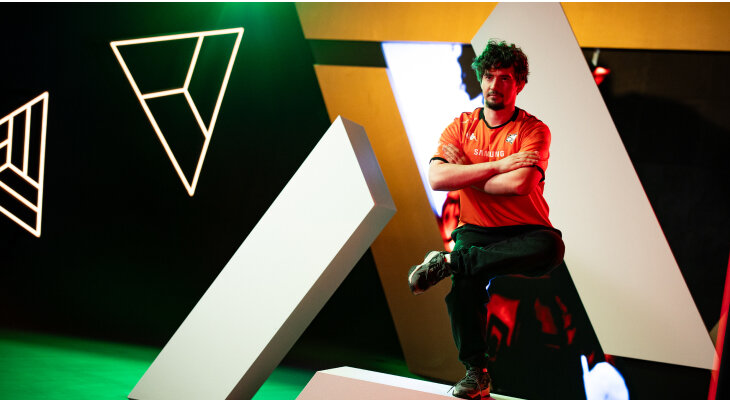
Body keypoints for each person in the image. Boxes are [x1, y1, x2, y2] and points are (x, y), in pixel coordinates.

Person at [407, 39, 565, 399]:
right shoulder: (460, 127)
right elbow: (437, 179)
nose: (495, 84)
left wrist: (466, 171)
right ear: (480, 79)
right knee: (464, 286)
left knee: (551, 248)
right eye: (489, 76)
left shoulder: (534, 130)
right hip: (475, 229)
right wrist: (499, 165)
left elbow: (520, 184)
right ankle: (476, 374)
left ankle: (448, 261)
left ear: (519, 83)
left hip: (526, 230)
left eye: (505, 78)